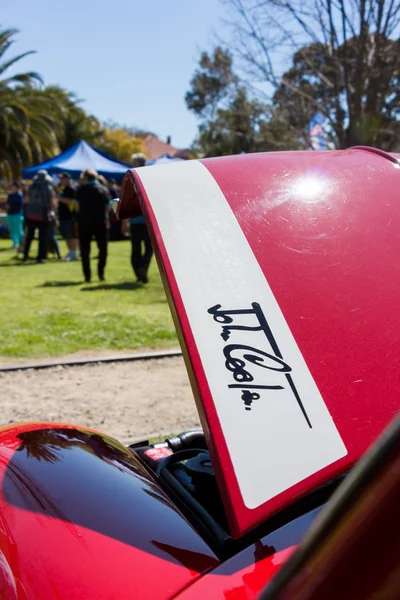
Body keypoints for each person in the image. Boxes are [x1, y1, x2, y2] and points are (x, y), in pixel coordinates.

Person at [76, 169, 111, 283]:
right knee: (103, 249)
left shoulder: (81, 189)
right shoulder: (103, 189)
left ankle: (87, 276)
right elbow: (108, 207)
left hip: (84, 222)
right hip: (100, 222)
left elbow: (76, 206)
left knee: (85, 250)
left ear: (85, 178)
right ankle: (101, 273)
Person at [23, 170, 55, 263]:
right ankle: (40, 257)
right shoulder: (49, 189)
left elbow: (26, 200)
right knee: (42, 237)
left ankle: (25, 255)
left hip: (31, 215)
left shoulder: (31, 188)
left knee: (29, 236)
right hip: (43, 215)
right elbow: (52, 202)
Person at [58, 172, 79, 261]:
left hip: (70, 216)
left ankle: (74, 253)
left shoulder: (72, 189)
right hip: (63, 216)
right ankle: (70, 251)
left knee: (72, 235)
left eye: (63, 179)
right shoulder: (64, 189)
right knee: (66, 235)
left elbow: (73, 202)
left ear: (68, 179)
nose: (61, 180)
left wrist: (60, 199)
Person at [5, 182, 24, 250]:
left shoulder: (19, 195)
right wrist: (7, 207)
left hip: (17, 214)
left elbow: (21, 205)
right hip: (10, 214)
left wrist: (11, 206)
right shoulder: (10, 194)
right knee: (12, 230)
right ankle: (15, 243)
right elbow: (7, 203)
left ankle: (22, 243)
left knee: (18, 229)